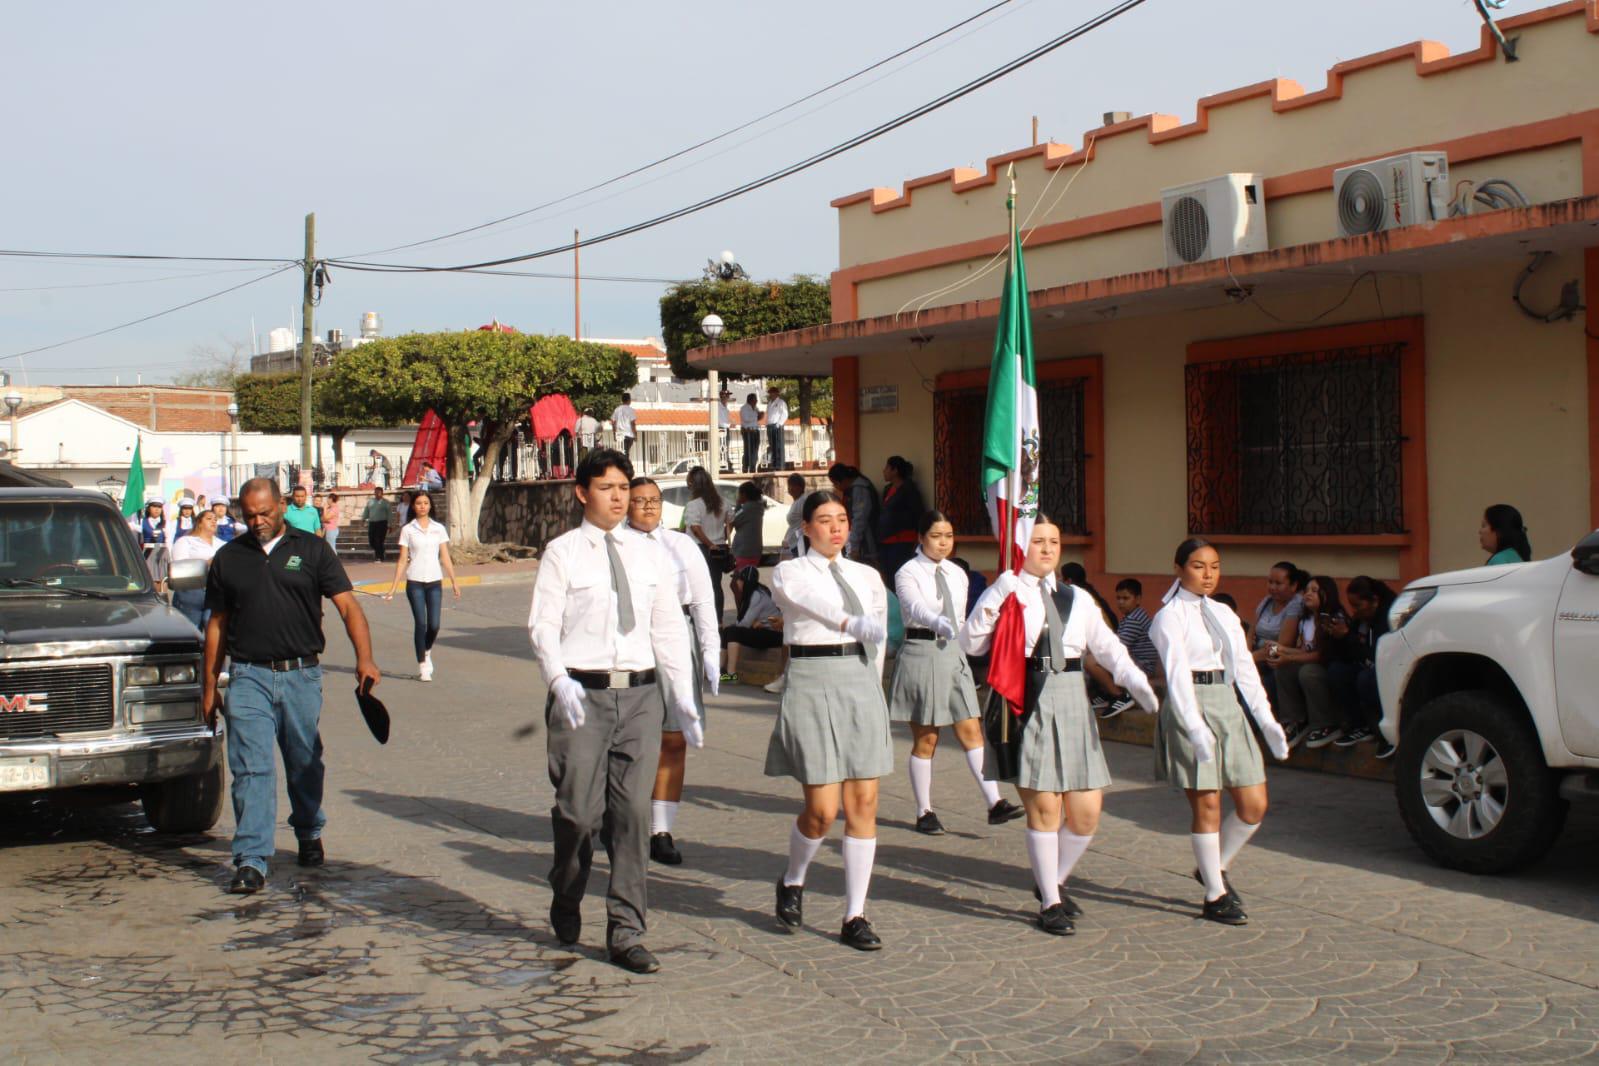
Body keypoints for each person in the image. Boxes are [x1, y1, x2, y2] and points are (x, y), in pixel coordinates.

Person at [528, 448, 700, 975]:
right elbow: (542, 625)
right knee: (579, 814)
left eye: (624, 488)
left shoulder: (651, 555)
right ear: (583, 493)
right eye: (607, 488)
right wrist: (558, 679)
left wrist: (684, 697)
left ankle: (626, 931)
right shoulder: (563, 553)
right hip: (582, 694)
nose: (620, 498)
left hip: (642, 696)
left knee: (631, 818)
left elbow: (668, 627)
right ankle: (566, 888)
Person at [961, 514, 1158, 935]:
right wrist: (996, 597)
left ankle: (1052, 879)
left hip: (1072, 697)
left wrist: (1135, 680)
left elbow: (1107, 646)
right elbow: (971, 644)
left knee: (1086, 814)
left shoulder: (1078, 598)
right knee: (1046, 808)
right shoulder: (1009, 590)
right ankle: (1050, 902)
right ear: (1021, 547)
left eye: (1053, 541)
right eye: (1037, 541)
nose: (1047, 549)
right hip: (1028, 697)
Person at [201, 477, 379, 895]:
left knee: (304, 760)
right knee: (251, 767)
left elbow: (348, 605)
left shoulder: (313, 550)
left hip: (301, 674)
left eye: (265, 513)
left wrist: (364, 658)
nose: (258, 522)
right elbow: (217, 624)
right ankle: (251, 859)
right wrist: (209, 683)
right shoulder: (229, 558)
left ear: (281, 505)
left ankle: (307, 828)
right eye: (249, 516)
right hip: (248, 676)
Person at [768, 490, 892, 951]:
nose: (836, 528)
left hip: (860, 681)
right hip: (814, 677)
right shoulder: (790, 572)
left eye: (842, 519)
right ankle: (793, 879)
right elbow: (814, 603)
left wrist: (874, 690)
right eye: (825, 520)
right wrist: (849, 623)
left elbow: (876, 637)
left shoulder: (868, 576)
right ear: (806, 528)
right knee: (822, 810)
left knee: (863, 803)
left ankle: (855, 914)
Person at [1149, 538, 1289, 927]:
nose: (1208, 574)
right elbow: (1176, 675)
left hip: (1226, 704)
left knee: (1253, 803)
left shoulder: (1225, 613)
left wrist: (1266, 720)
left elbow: (1244, 668)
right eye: (1198, 566)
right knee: (1208, 805)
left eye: (1214, 566)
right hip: (1190, 704)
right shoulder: (1169, 617)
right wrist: (1193, 725)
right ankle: (1215, 893)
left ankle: (1215, 866)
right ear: (1179, 569)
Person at [892, 510, 1024, 835]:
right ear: (921, 538)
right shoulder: (908, 572)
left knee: (971, 731)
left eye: (948, 536)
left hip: (952, 654)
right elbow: (915, 607)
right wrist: (938, 622)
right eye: (936, 536)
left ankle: (995, 803)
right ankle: (925, 811)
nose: (943, 543)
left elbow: (966, 616)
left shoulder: (957, 573)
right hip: (922, 652)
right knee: (927, 738)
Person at [623, 477, 720, 867]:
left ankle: (660, 829)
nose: (648, 507)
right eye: (639, 501)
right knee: (631, 740)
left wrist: (712, 650)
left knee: (673, 739)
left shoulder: (681, 546)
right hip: (632, 642)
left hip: (679, 641)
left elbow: (702, 600)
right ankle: (622, 817)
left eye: (654, 501)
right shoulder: (616, 545)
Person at [383, 490, 460, 682]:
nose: (422, 506)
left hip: (434, 581)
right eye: (419, 503)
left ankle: (426, 650)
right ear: (413, 506)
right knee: (421, 623)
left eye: (426, 503)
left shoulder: (438, 528)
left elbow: (445, 557)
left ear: (430, 505)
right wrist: (393, 587)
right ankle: (423, 665)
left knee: (434, 624)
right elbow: (402, 560)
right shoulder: (408, 530)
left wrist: (454, 581)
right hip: (415, 581)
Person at [1269, 576, 1351, 749]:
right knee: (1283, 669)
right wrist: (1281, 649)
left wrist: (1288, 656)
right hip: (1312, 663)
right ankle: (1294, 721)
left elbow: (1320, 656)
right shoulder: (1306, 619)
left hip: (1331, 669)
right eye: (1306, 590)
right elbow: (1306, 651)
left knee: (1308, 672)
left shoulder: (1334, 618)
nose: (1308, 594)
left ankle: (1326, 723)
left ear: (1326, 594)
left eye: (1314, 591)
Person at [1327, 576, 1396, 757]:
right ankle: (1359, 726)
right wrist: (1339, 637)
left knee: (1366, 679)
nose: (1354, 611)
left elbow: (1375, 655)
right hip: (1366, 667)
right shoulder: (1361, 619)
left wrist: (1348, 636)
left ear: (1374, 601)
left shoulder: (1387, 618)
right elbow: (1351, 654)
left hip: (1387, 670)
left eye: (1358, 605)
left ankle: (1386, 735)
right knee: (1337, 672)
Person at [1249, 562, 1306, 741]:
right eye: (1270, 582)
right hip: (1257, 657)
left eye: (1278, 583)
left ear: (1293, 585)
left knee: (1258, 685)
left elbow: (1280, 647)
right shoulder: (1266, 602)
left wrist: (1247, 660)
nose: (1272, 588)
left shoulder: (1295, 606)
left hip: (1275, 661)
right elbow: (1252, 632)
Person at [1098, 578, 1161, 719]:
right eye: (1118, 598)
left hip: (1143, 666)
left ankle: (1119, 696)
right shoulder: (1131, 616)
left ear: (1138, 599)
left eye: (1126, 598)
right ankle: (1106, 693)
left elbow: (1117, 647)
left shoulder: (1134, 619)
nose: (1121, 602)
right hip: (1137, 662)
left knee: (1092, 661)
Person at [721, 565, 785, 687]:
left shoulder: (757, 595)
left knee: (734, 632)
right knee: (729, 631)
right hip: (764, 631)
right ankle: (719, 669)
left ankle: (731, 674)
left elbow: (744, 623)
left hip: (775, 634)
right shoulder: (753, 592)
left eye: (739, 580)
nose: (737, 582)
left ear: (745, 581)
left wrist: (754, 623)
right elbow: (748, 623)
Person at [682, 466, 730, 621]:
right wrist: (721, 539)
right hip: (719, 548)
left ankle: (698, 620)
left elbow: (695, 528)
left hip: (700, 549)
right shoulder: (723, 502)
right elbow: (731, 521)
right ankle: (719, 621)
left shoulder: (693, 504)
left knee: (696, 585)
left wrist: (709, 544)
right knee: (716, 585)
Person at [170, 509, 222, 630]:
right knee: (189, 632)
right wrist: (206, 564)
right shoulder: (186, 541)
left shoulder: (222, 544)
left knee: (212, 629)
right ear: (199, 523)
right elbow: (179, 568)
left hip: (215, 592)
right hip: (191, 593)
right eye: (209, 519)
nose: (213, 521)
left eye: (215, 519)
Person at [876, 456, 924, 583]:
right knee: (887, 574)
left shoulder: (909, 490)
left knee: (898, 574)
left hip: (902, 540)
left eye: (887, 467)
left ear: (895, 470)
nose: (884, 471)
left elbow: (918, 514)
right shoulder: (888, 489)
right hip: (886, 539)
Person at [828, 463, 880, 565]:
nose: (835, 487)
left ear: (842, 480)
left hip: (866, 541)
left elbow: (860, 519)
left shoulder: (859, 489)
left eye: (835, 483)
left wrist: (854, 546)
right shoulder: (851, 489)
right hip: (858, 539)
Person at [136, 495, 171, 594]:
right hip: (148, 553)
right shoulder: (142, 522)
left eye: (159, 507)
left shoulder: (166, 523)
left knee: (163, 580)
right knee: (152, 580)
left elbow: (169, 540)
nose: (157, 509)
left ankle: (164, 600)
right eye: (154, 506)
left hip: (162, 552)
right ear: (149, 508)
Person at [731, 480, 764, 571]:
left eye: (739, 494)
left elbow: (734, 519)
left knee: (740, 582)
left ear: (744, 494)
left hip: (744, 551)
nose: (738, 497)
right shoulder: (758, 507)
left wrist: (738, 504)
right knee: (744, 580)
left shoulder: (747, 508)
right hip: (754, 550)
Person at [362, 487, 393, 564]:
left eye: (379, 492)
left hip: (382, 523)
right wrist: (363, 519)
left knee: (378, 540)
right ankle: (381, 551)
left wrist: (390, 525)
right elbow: (366, 511)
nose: (377, 494)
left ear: (382, 493)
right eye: (376, 492)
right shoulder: (370, 502)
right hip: (372, 523)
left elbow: (389, 514)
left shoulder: (386, 502)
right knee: (371, 540)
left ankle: (378, 557)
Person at [783, 472, 807, 559]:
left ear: (801, 487)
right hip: (793, 544)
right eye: (789, 485)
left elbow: (807, 521)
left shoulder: (803, 501)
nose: (791, 488)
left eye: (794, 485)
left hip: (799, 544)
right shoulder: (797, 501)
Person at [765, 385, 789, 471]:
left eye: (772, 393)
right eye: (770, 393)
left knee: (778, 445)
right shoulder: (769, 403)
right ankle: (774, 464)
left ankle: (779, 464)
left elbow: (785, 414)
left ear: (776, 393)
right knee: (772, 446)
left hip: (777, 425)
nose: (771, 395)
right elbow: (769, 415)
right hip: (770, 425)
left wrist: (779, 424)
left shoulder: (781, 402)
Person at [611, 394, 637, 461]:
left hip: (619, 434)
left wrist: (614, 434)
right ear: (629, 400)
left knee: (621, 452)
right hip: (629, 434)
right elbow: (633, 423)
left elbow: (613, 423)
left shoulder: (617, 409)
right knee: (626, 452)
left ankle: (622, 465)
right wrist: (635, 435)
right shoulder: (631, 410)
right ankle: (625, 466)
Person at [739, 393, 761, 473]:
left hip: (755, 431)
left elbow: (758, 418)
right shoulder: (744, 408)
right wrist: (756, 415)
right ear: (751, 400)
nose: (756, 401)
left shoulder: (755, 408)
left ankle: (753, 467)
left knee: (755, 451)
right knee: (748, 451)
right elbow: (746, 419)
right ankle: (745, 467)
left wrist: (760, 415)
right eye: (755, 399)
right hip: (748, 432)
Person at [716, 390, 733, 470]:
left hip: (726, 429)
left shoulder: (725, 407)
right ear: (723, 397)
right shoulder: (718, 407)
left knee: (726, 447)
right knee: (722, 448)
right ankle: (723, 464)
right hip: (721, 430)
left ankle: (726, 463)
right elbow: (719, 422)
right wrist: (729, 425)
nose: (728, 398)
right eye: (727, 396)